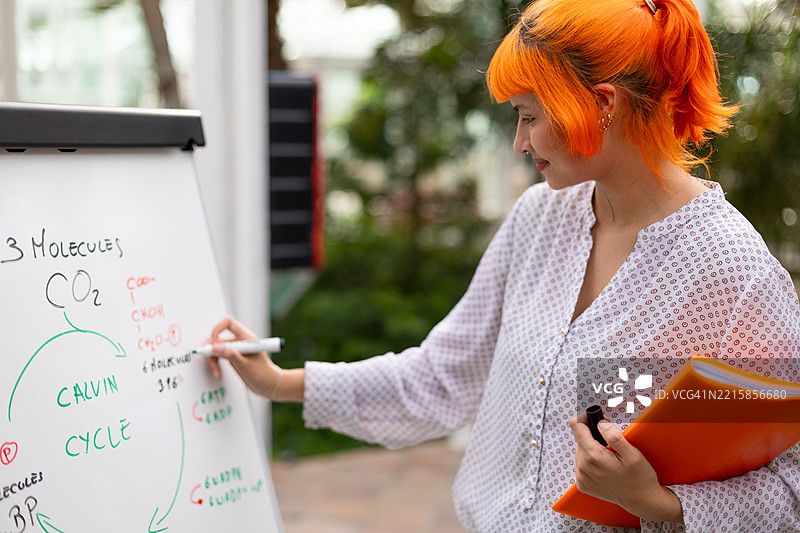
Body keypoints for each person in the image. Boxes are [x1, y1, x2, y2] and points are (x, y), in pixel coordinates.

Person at [206, 0, 800, 530]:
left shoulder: (732, 272)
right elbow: (444, 376)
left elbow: (791, 489)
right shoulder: (539, 218)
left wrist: (660, 504)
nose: (520, 141)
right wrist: (280, 382)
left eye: (530, 115)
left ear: (603, 104)